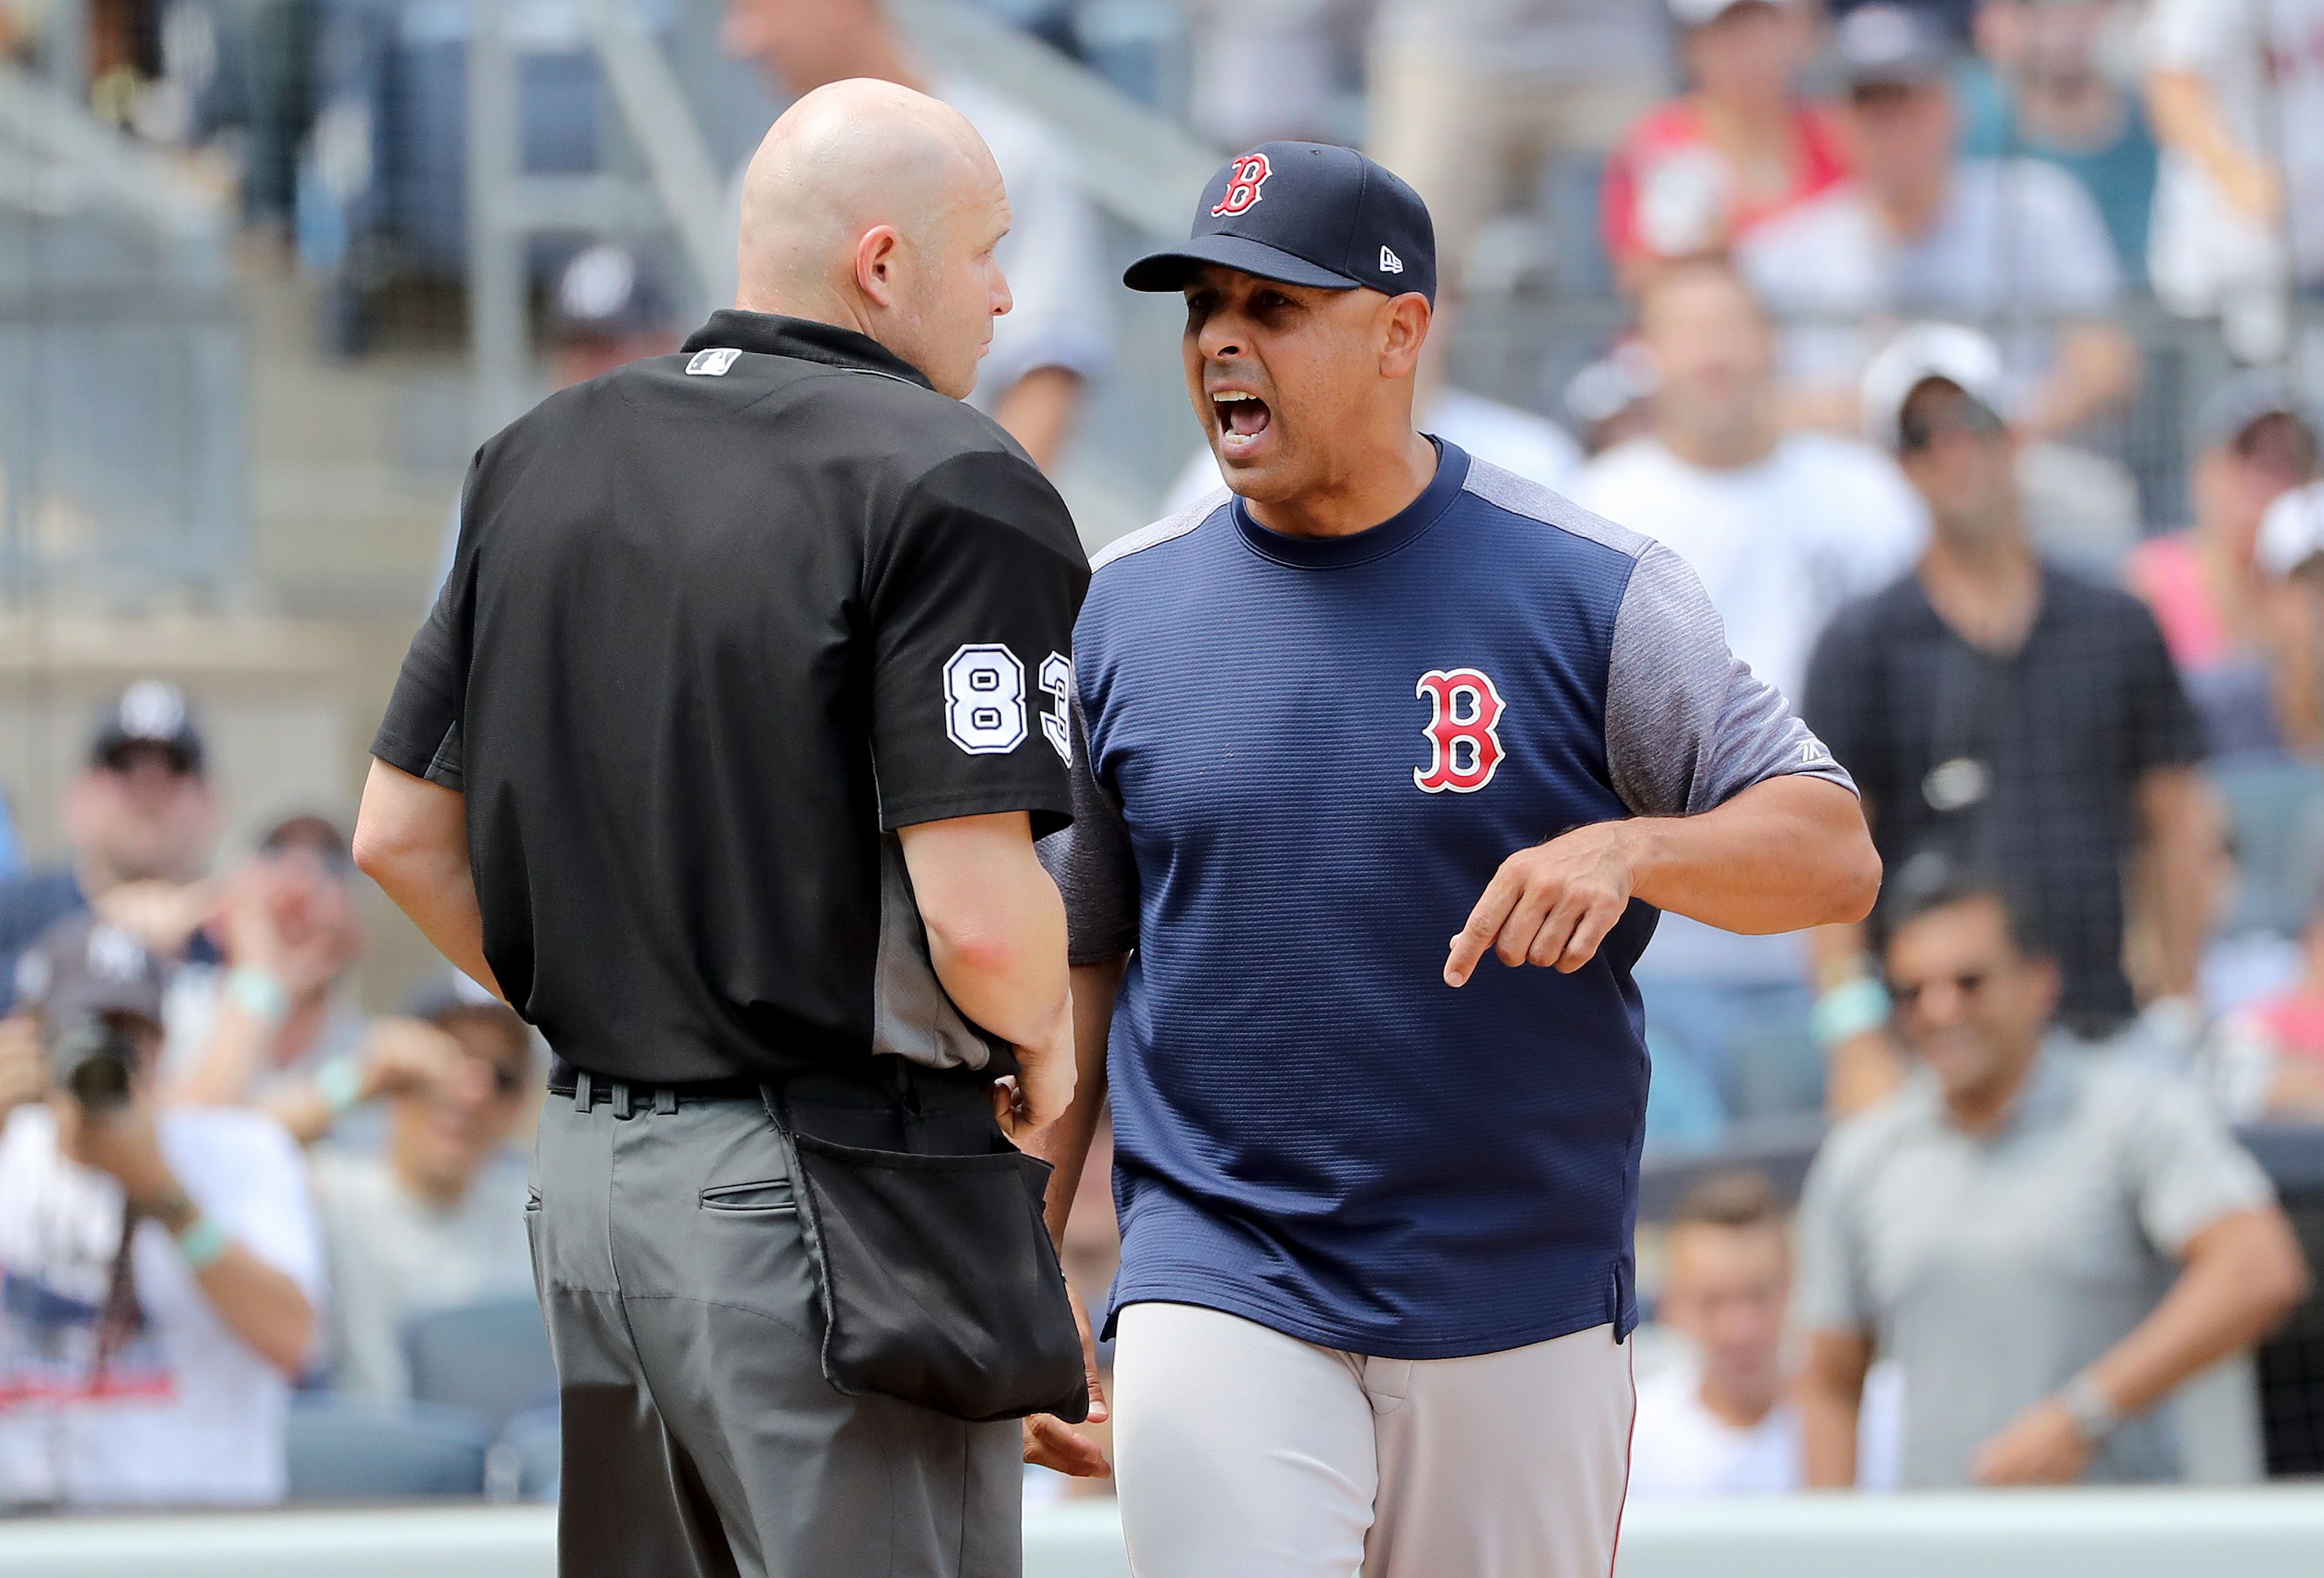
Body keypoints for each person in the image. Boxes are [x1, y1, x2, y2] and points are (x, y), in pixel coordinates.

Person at [1031, 140, 1881, 1578]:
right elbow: (1076, 963)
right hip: (1222, 1273)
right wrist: (1022, 1247)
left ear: (1402, 332)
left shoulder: (1590, 586)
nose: (1224, 340)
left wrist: (1635, 848)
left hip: (1520, 1289)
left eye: (1275, 306)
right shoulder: (1122, 607)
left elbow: (1834, 849)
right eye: (1200, 308)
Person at [355, 81, 1094, 1578]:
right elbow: (978, 909)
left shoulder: (538, 454)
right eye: (987, 252)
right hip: (823, 1197)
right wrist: (1049, 1050)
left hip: (586, 1190)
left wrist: (640, 1008)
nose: (1011, 296)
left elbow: (397, 836)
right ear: (884, 266)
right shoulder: (956, 477)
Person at [1802, 325, 2210, 1112]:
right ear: (1899, 464)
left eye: (1972, 423)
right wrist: (1854, 1036)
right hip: (1935, 1044)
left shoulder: (2116, 624)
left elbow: (2177, 824)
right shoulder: (1863, 644)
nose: (1953, 451)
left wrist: (2179, 1002)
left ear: (2014, 433)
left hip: (2104, 1024)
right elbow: (1828, 855)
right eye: (1923, 436)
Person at [1796, 870, 2310, 1487]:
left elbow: (2259, 1268)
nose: (1940, 1009)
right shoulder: (1864, 1154)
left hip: (2116, 1543)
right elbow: (1830, 1378)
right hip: (1941, 1548)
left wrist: (2086, 1412)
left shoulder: (2132, 1112)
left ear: (2040, 980)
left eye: (1969, 982)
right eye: (1912, 992)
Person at [1577, 261, 1923, 1120]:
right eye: (1687, 333)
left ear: (1770, 343)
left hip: (1846, 943)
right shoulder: (1593, 511)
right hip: (1655, 962)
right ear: (1645, 355)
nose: (1714, 357)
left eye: (1731, 328)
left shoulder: (1868, 497)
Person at [0, 915, 322, 1506]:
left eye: (130, 1035)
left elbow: (295, 1341)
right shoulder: (10, 1150)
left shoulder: (240, 1149)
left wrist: (164, 1194)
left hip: (196, 1532)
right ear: (31, 1038)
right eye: (82, 1029)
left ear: (164, 1045)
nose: (106, 1055)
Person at [719, 0, 1109, 473]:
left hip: (946, 517)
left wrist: (984, 529)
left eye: (759, 8)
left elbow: (1044, 376)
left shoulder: (1007, 152)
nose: (741, 41)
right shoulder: (759, 178)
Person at [1736, 3, 2138, 441]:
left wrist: (1997, 434)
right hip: (1852, 483)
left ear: (1954, 106)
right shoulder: (1782, 251)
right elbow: (1745, 399)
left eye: (1909, 102)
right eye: (1870, 109)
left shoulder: (2039, 204)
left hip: (2018, 473)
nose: (1891, 130)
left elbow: (2108, 362)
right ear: (1834, 124)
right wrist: (1869, 419)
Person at [162, 802, 462, 1149]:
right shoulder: (160, 1009)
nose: (300, 882)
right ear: (221, 904)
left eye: (331, 864)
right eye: (275, 852)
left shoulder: (384, 1060)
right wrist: (260, 984)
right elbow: (187, 1141)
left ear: (358, 931)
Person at [310, 981, 536, 1401]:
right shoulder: (332, 1189)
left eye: (501, 1078)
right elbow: (217, 1158)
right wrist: (353, 1082)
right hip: (376, 1455)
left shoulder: (540, 1215)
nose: (472, 1094)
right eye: (447, 1062)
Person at [1366, 0, 1671, 290]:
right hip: (1448, 48)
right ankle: (1398, 342)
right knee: (1400, 241)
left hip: (1609, 54)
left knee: (1661, 232)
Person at [2127, 371, 2320, 759]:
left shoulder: (2312, 584)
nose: (2267, 484)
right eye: (2251, 458)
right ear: (2205, 471)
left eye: (2288, 463)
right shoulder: (2149, 582)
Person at [1601, 0, 1848, 294]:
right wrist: (1708, 258)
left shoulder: (1838, 135)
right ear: (1692, 46)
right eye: (1726, 36)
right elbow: (1637, 279)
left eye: (1757, 34)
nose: (1746, 54)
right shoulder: (1655, 144)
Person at [0, 682, 218, 1014]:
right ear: (77, 798)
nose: (148, 786)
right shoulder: (16, 914)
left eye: (175, 765)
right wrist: (94, 935)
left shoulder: (235, 931)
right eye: (122, 764)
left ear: (211, 803)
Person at [2146, 0, 2324, 362]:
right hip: (2229, 267)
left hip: (2309, 252)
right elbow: (2169, 81)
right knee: (2243, 404)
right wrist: (2231, 171)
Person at [1958, 0, 2157, 284]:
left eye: (2082, 7)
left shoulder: (2157, 121)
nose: (2063, 27)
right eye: (2037, 10)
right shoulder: (1968, 119)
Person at [1628, 1172, 1801, 1495]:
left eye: (1758, 1295)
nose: (1739, 1329)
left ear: (1793, 1289)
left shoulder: (1874, 1423)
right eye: (1711, 1302)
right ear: (1671, 1306)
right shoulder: (1632, 1445)